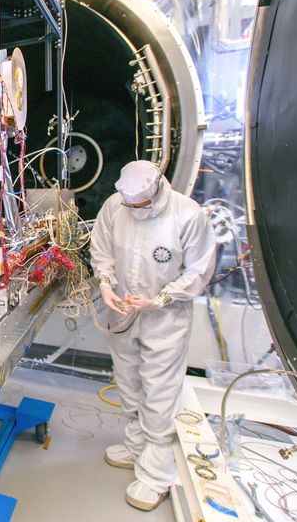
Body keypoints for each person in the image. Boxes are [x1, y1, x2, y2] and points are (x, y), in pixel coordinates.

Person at [90, 160, 216, 511]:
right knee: (128, 382)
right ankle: (135, 447)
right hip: (124, 311)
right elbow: (101, 248)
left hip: (166, 318)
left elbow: (199, 268)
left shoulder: (187, 215)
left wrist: (162, 298)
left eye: (142, 205)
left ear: (158, 190)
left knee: (159, 391)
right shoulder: (116, 206)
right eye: (131, 205)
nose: (136, 211)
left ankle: (157, 474)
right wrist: (105, 283)